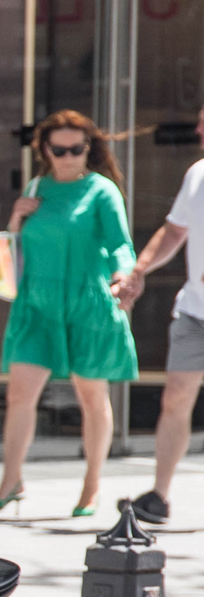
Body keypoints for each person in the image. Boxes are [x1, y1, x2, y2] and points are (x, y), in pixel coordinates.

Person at [0, 111, 139, 519]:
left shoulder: (102, 191)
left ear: (89, 148)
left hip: (87, 303)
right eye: (59, 149)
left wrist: (124, 274)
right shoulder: (36, 190)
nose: (68, 156)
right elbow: (13, 249)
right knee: (19, 394)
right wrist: (16, 216)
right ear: (45, 151)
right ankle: (10, 481)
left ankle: (91, 487)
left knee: (91, 395)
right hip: (36, 304)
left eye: (77, 148)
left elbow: (121, 244)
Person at [111, 100, 204, 524]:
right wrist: (140, 269)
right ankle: (159, 496)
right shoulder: (198, 174)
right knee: (176, 397)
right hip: (195, 311)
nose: (200, 133)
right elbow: (175, 230)